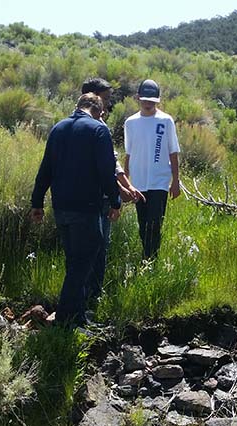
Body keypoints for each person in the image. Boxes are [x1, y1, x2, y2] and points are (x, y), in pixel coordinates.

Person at [30, 93, 122, 328]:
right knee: (83, 261)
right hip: (86, 207)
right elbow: (106, 170)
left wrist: (37, 202)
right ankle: (65, 319)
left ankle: (77, 316)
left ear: (78, 107)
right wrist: (115, 201)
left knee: (74, 262)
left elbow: (45, 168)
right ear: (99, 112)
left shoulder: (58, 128)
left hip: (61, 207)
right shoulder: (98, 130)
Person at [81, 78, 144, 308]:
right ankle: (86, 300)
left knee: (101, 247)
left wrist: (127, 185)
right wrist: (120, 193)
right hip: (91, 200)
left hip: (104, 198)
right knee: (90, 249)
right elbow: (100, 168)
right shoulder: (87, 127)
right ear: (93, 98)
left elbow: (113, 164)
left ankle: (92, 298)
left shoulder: (99, 126)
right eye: (106, 100)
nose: (108, 106)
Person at [124, 79, 183, 261]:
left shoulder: (166, 121)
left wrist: (176, 181)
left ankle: (151, 259)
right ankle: (147, 257)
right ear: (138, 98)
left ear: (158, 100)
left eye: (152, 100)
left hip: (160, 181)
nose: (148, 103)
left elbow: (173, 151)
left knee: (155, 223)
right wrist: (125, 183)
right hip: (139, 181)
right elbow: (128, 154)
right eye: (145, 100)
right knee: (143, 224)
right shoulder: (130, 122)